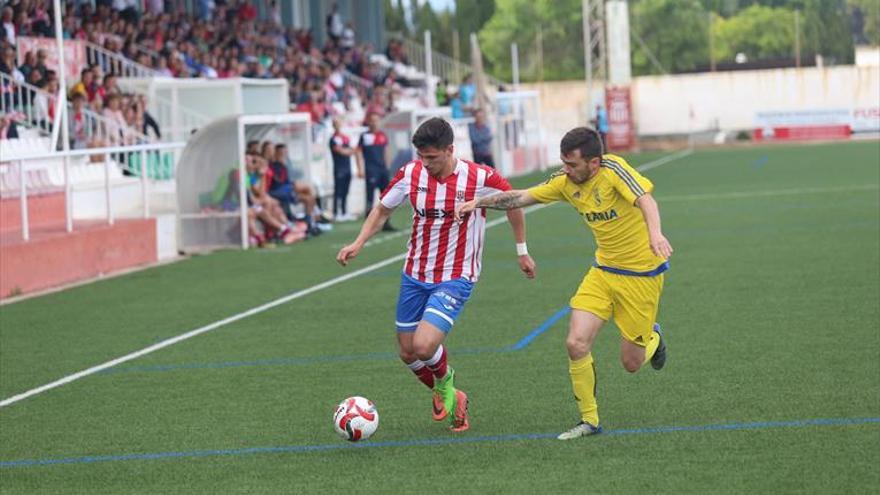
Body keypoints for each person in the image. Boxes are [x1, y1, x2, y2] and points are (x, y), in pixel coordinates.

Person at [455, 126, 673, 440]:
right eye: (564, 163)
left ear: (594, 163)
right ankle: (590, 420)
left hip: (641, 277)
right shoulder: (565, 181)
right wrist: (480, 202)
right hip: (603, 272)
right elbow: (521, 197)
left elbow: (646, 201)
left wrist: (655, 233)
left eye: (572, 165)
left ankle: (653, 336)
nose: (566, 170)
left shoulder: (613, 170)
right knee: (575, 343)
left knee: (631, 363)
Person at [336, 117, 536, 432]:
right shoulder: (410, 175)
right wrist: (358, 243)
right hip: (415, 273)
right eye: (421, 157)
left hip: (457, 274)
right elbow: (382, 210)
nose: (425, 164)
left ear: (449, 150)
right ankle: (454, 395)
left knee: (424, 346)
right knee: (407, 352)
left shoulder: (478, 176)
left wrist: (521, 250)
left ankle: (445, 386)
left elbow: (515, 202)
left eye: (432, 157)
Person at [356, 112, 395, 231]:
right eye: (372, 120)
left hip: (382, 170)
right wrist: (360, 168)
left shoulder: (383, 135)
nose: (374, 123)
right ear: (368, 122)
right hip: (371, 170)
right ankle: (368, 225)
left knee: (386, 198)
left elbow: (386, 151)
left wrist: (388, 167)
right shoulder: (364, 136)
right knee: (370, 197)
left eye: (376, 120)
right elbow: (358, 152)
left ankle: (386, 223)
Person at [329, 117, 355, 221]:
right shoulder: (333, 139)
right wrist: (347, 151)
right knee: (338, 191)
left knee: (345, 190)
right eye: (335, 123)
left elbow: (352, 150)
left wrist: (347, 151)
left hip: (347, 168)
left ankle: (344, 211)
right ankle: (336, 212)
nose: (337, 125)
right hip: (339, 168)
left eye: (338, 123)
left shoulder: (345, 137)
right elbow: (341, 151)